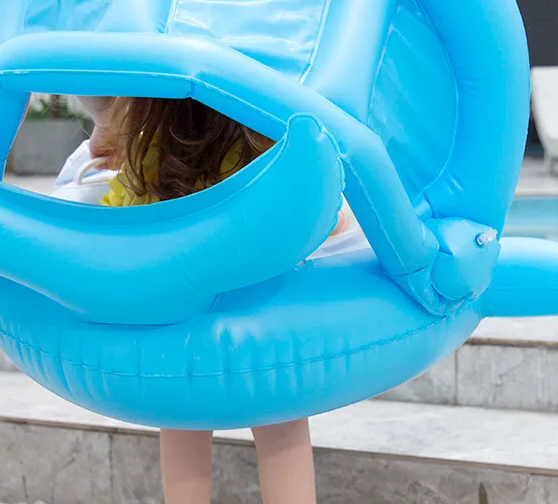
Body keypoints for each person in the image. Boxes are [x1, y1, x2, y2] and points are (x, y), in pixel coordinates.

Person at [69, 94, 353, 504]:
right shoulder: (268, 154)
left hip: (181, 331)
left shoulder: (149, 157)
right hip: (262, 327)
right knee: (281, 422)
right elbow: (322, 220)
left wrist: (109, 138)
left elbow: (115, 223)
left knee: (181, 419)